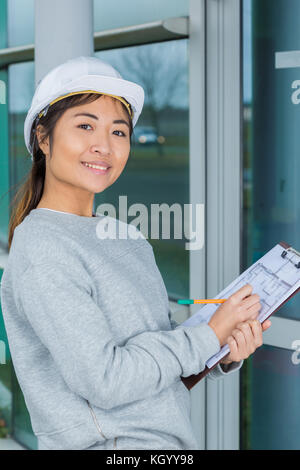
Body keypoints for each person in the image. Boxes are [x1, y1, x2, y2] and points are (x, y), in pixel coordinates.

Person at [0, 56, 271, 451]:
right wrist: (208, 335)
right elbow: (106, 380)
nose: (104, 146)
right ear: (43, 137)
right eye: (85, 125)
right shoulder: (42, 247)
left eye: (119, 131)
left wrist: (222, 347)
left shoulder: (124, 237)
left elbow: (157, 364)